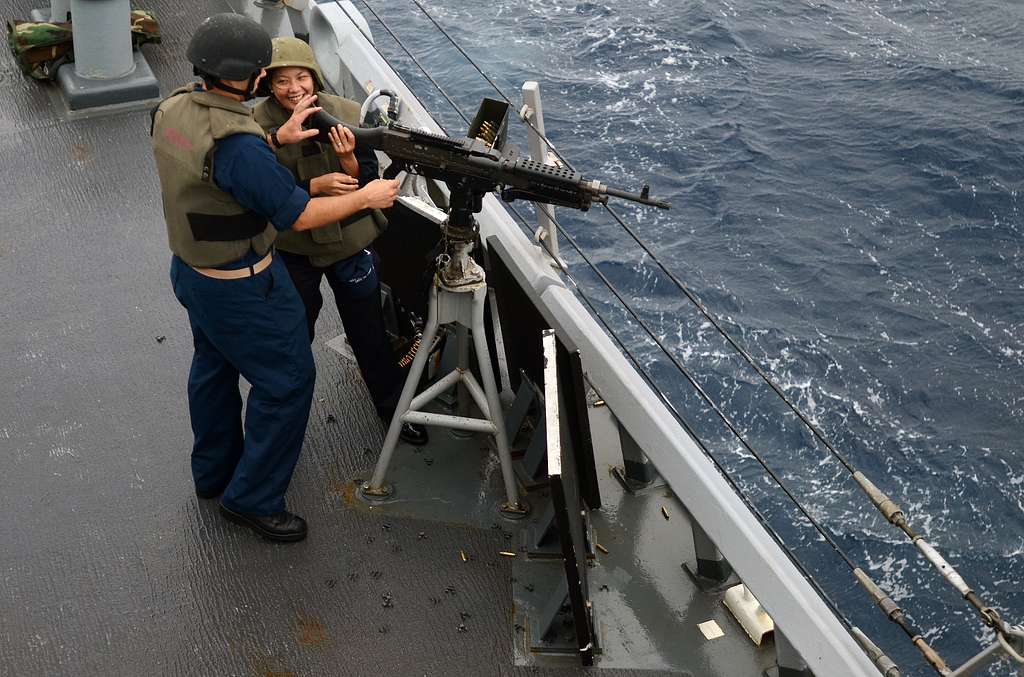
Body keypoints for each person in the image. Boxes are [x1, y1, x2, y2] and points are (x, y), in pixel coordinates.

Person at [149, 14, 400, 543]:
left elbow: (212, 166)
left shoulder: (172, 106)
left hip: (193, 272)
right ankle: (253, 499)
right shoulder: (239, 144)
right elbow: (298, 216)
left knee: (213, 368)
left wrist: (271, 137)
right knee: (287, 383)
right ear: (255, 75)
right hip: (242, 284)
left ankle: (214, 474)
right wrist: (367, 196)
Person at [252, 37, 428, 446]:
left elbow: (369, 182)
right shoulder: (258, 128)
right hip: (295, 248)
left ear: (314, 76)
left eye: (301, 77)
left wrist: (349, 160)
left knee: (370, 333)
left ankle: (392, 411)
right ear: (268, 85)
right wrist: (312, 185)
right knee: (293, 334)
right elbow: (256, 189)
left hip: (350, 243)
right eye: (282, 81)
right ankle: (281, 420)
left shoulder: (346, 114)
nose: (294, 88)